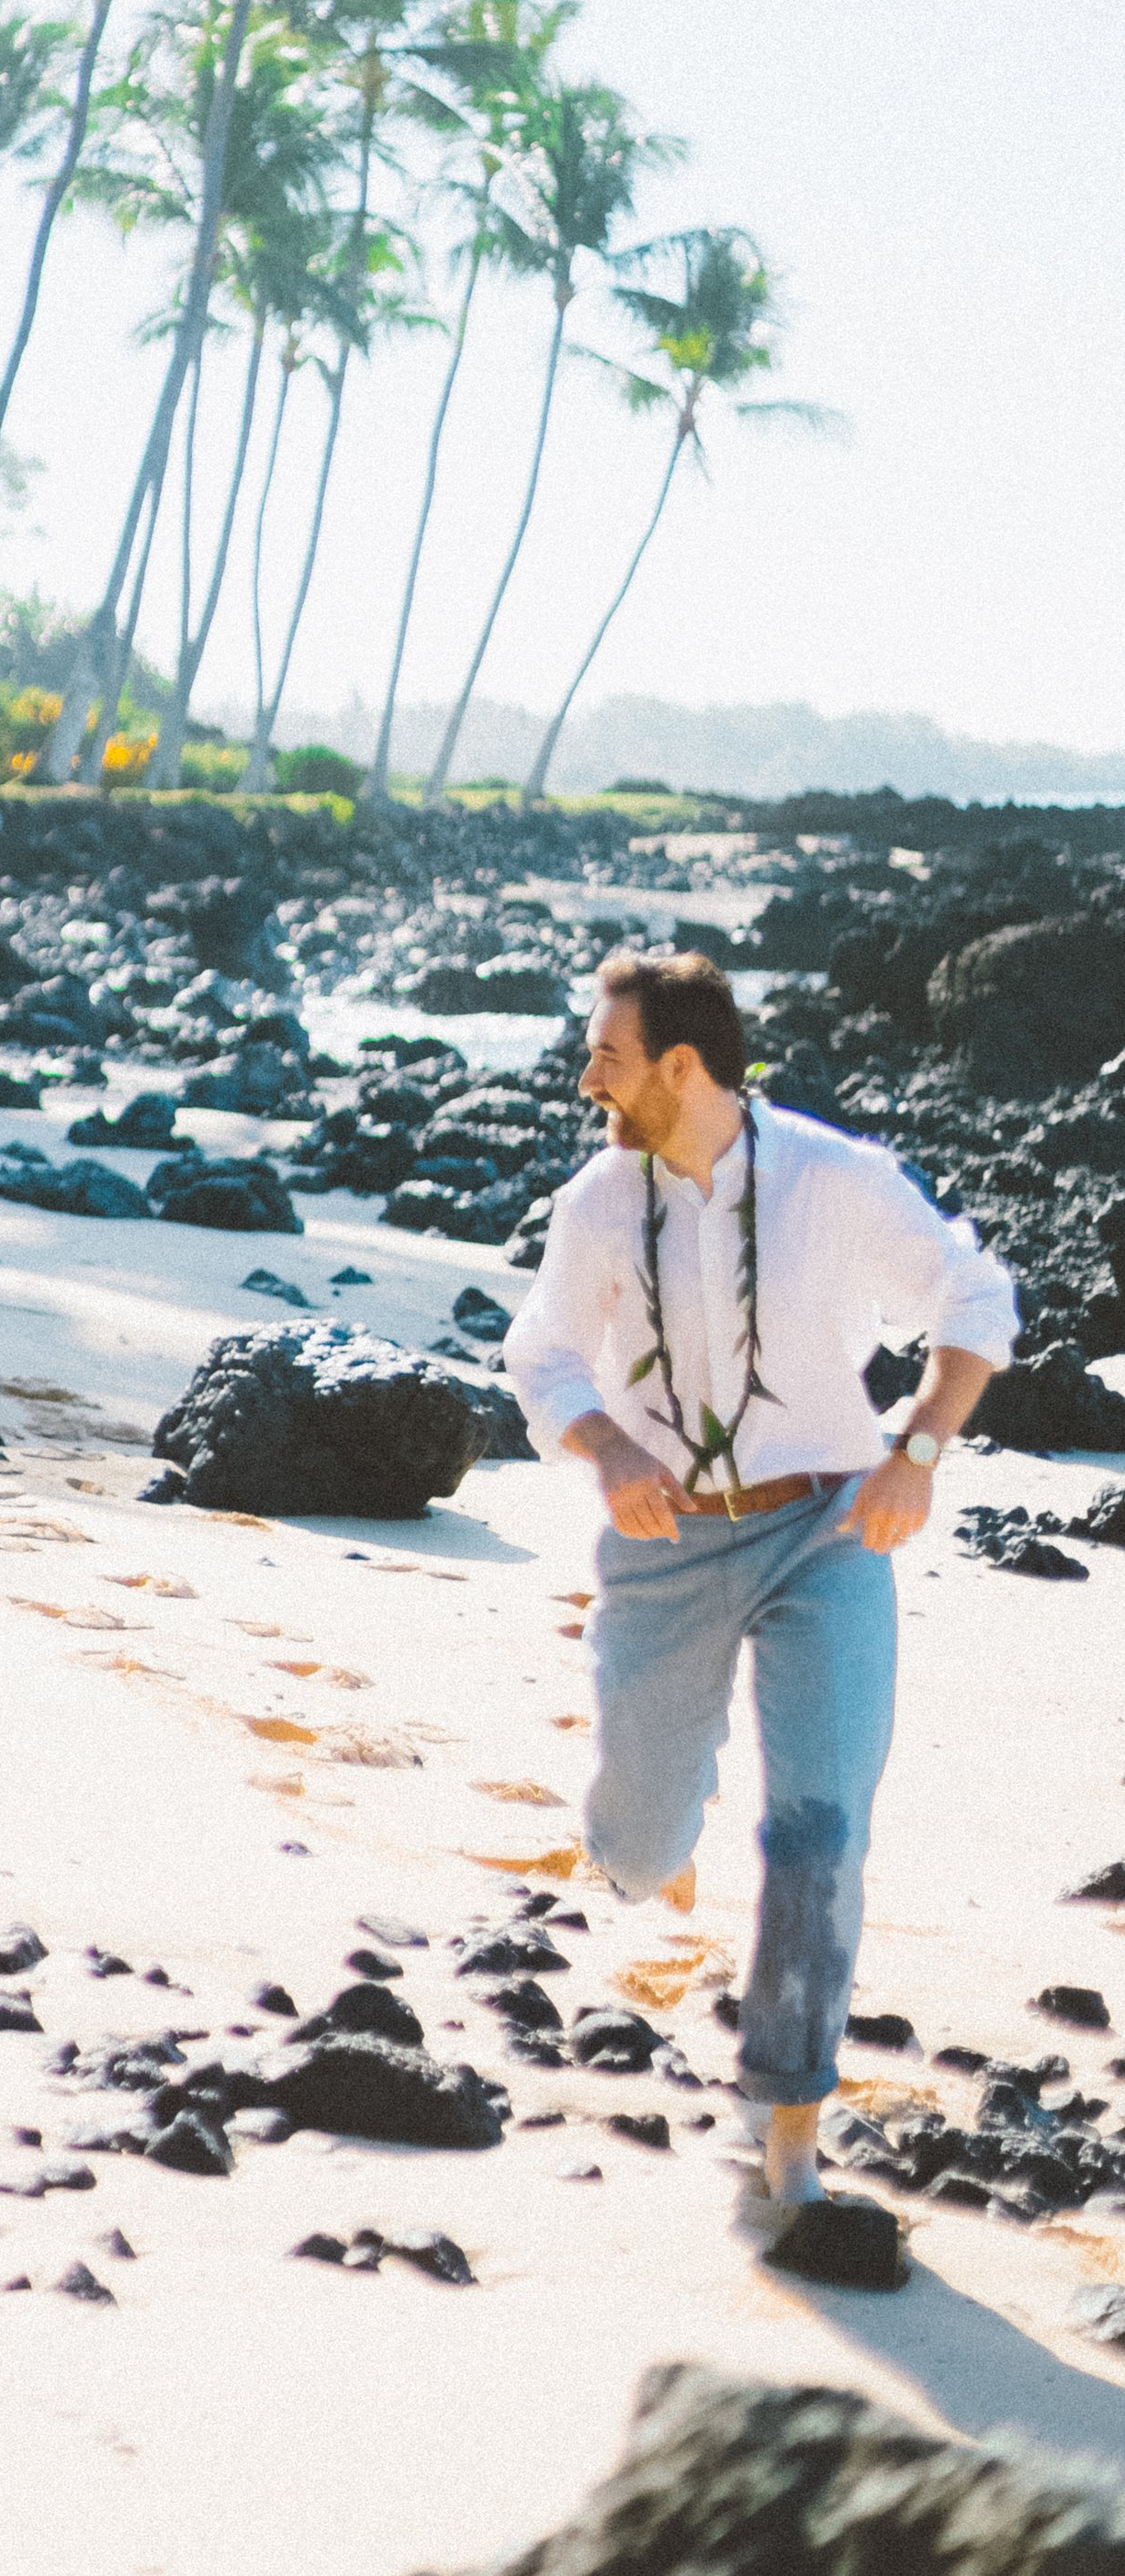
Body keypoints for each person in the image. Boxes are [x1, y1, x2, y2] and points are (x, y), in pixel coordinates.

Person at [504, 949, 1016, 2216]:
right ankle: (663, 1828)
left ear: (682, 1066)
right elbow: (545, 1352)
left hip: (828, 1530)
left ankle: (791, 2122)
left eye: (608, 1059)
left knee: (820, 1830)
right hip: (664, 1544)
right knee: (630, 1844)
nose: (590, 1082)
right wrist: (611, 1446)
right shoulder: (598, 1203)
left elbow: (976, 1290)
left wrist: (917, 1452)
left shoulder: (833, 1179)